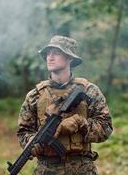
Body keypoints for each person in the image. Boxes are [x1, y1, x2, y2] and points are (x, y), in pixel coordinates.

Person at [17, 35, 113, 175]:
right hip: (47, 170)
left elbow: (106, 127)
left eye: (56, 53)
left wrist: (80, 122)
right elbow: (23, 132)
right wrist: (30, 141)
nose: (50, 57)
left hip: (82, 169)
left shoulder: (88, 90)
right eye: (48, 54)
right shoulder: (35, 95)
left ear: (70, 58)